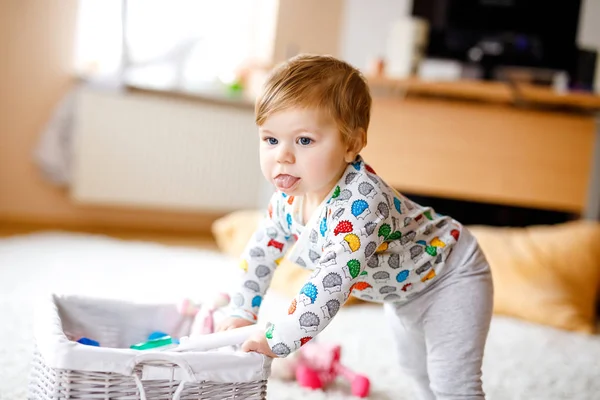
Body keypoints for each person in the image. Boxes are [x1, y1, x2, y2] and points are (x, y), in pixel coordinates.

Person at [216, 54, 494, 400]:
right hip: (405, 292)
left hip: (451, 274)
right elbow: (260, 251)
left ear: (352, 144)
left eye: (303, 140)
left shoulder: (361, 206)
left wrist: (276, 338)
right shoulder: (287, 200)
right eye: (271, 140)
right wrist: (241, 310)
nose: (282, 156)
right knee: (414, 366)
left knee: (452, 380)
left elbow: (329, 286)